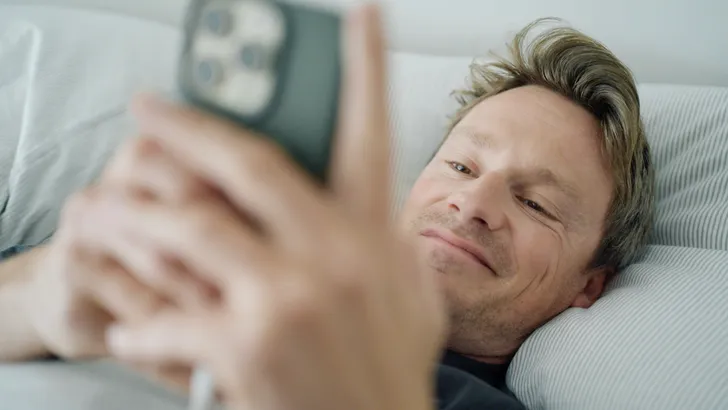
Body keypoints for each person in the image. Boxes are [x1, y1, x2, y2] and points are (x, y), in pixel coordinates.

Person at [0, 4, 654, 410]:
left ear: (590, 283)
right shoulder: (197, 261)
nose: (473, 201)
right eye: (461, 166)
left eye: (536, 203)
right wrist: (36, 298)